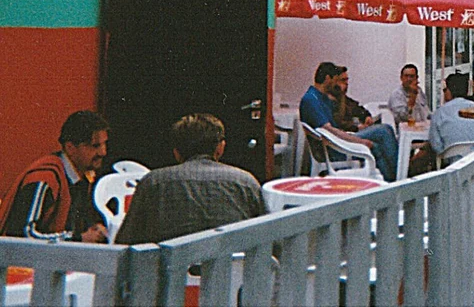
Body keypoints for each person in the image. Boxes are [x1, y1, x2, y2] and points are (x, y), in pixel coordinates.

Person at [115, 113, 264, 244]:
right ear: (220, 148)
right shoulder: (246, 182)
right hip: (233, 272)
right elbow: (268, 237)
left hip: (171, 274)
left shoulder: (153, 182)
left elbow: (126, 242)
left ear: (176, 153)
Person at [0, 111, 109, 242]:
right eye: (95, 146)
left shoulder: (83, 178)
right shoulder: (44, 178)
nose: (103, 152)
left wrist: (94, 229)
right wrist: (78, 239)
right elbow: (23, 235)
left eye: (104, 144)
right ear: (70, 148)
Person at [300, 62, 398, 181]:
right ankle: (397, 179)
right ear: (327, 78)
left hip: (335, 141)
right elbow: (330, 131)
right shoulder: (311, 100)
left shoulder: (321, 97)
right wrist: (360, 141)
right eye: (336, 80)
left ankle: (392, 180)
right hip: (334, 147)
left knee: (379, 139)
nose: (336, 84)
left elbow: (350, 110)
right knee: (384, 131)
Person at [428, 72, 474, 157]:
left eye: (445, 90)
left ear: (449, 91)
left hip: (455, 164)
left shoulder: (439, 114)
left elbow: (437, 146)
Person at [331, 66, 374, 131]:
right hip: (344, 135)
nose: (346, 83)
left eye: (347, 80)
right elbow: (338, 123)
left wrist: (366, 116)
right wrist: (357, 128)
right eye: (343, 80)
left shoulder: (344, 99)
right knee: (383, 130)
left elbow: (357, 108)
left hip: (352, 132)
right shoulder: (331, 100)